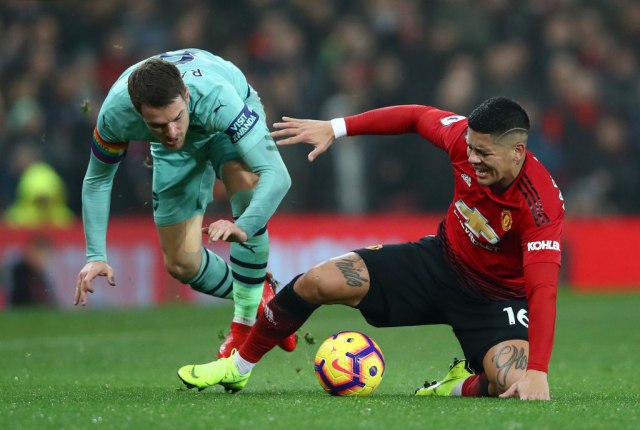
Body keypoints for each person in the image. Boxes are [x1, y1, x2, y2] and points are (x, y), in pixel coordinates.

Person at [177, 97, 564, 401]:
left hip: (495, 300)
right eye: (471, 148)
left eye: (484, 154)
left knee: (513, 382)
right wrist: (336, 128)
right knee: (317, 281)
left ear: (517, 152)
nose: (473, 159)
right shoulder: (464, 141)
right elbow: (416, 116)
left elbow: (543, 290)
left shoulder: (539, 206)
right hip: (439, 263)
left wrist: (538, 372)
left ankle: (456, 386)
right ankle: (238, 367)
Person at [74, 49, 296, 356]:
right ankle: (259, 295)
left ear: (186, 96)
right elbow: (98, 180)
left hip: (223, 125)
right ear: (138, 112)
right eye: (158, 125)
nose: (172, 131)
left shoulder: (218, 98)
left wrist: (243, 226)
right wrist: (96, 255)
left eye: (177, 117)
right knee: (182, 263)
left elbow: (278, 176)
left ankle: (242, 327)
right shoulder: (115, 114)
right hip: (173, 155)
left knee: (247, 189)